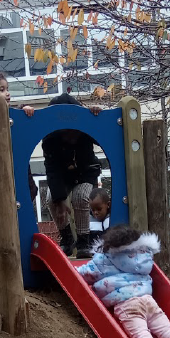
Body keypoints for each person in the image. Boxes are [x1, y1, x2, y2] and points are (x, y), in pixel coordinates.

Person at [41, 92, 104, 257]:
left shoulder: (85, 132)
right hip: (63, 175)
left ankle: (84, 241)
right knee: (51, 199)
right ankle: (66, 238)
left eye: (73, 131)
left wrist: (95, 115)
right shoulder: (50, 140)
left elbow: (102, 135)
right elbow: (52, 169)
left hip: (86, 171)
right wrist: (59, 199)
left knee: (81, 196)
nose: (71, 137)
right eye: (65, 133)